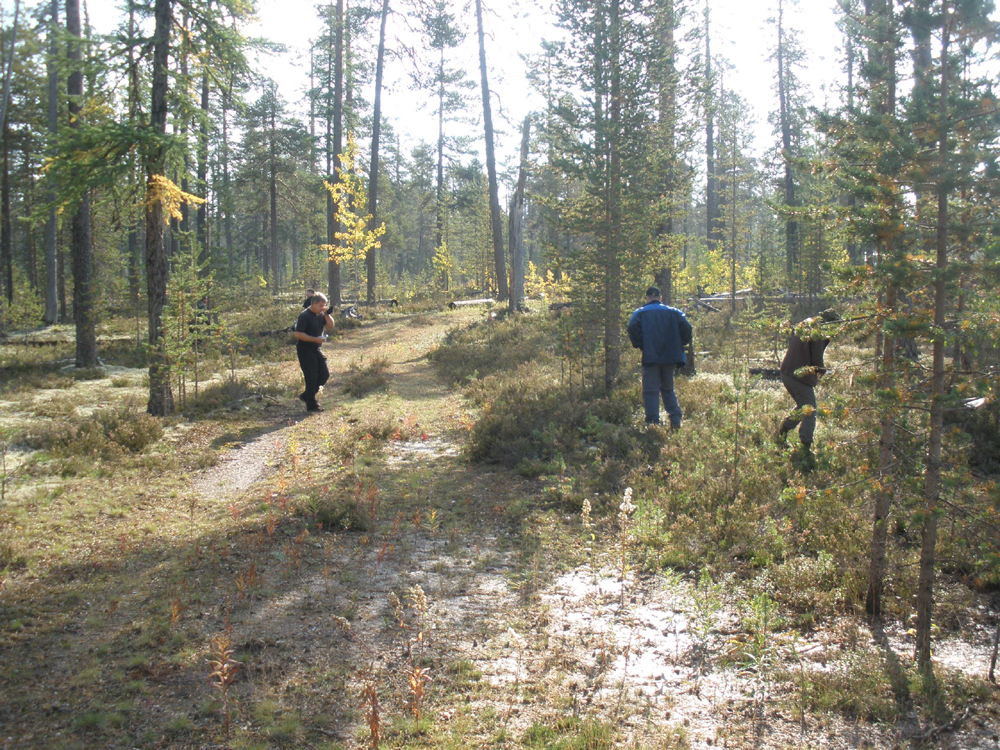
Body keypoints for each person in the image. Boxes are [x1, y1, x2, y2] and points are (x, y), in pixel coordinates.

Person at [627, 286, 693, 428]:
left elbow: (632, 327)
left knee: (651, 390)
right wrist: (680, 343)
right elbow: (687, 328)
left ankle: (653, 423)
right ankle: (675, 419)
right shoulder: (674, 312)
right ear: (660, 298)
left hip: (651, 357)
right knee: (668, 388)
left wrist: (640, 344)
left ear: (647, 298)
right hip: (670, 357)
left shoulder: (640, 313)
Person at [778, 309, 839, 451]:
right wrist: (823, 371)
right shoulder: (817, 331)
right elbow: (816, 357)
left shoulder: (805, 323)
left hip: (787, 372)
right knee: (810, 409)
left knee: (802, 406)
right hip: (798, 376)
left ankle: (782, 432)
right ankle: (805, 447)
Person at [293, 293, 335, 412]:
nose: (323, 307)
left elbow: (331, 326)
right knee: (311, 376)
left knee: (324, 374)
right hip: (305, 349)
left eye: (324, 305)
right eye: (321, 305)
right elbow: (298, 334)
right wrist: (315, 339)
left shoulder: (321, 314)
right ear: (314, 303)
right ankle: (312, 405)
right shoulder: (305, 315)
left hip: (316, 349)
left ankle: (307, 395)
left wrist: (327, 314)